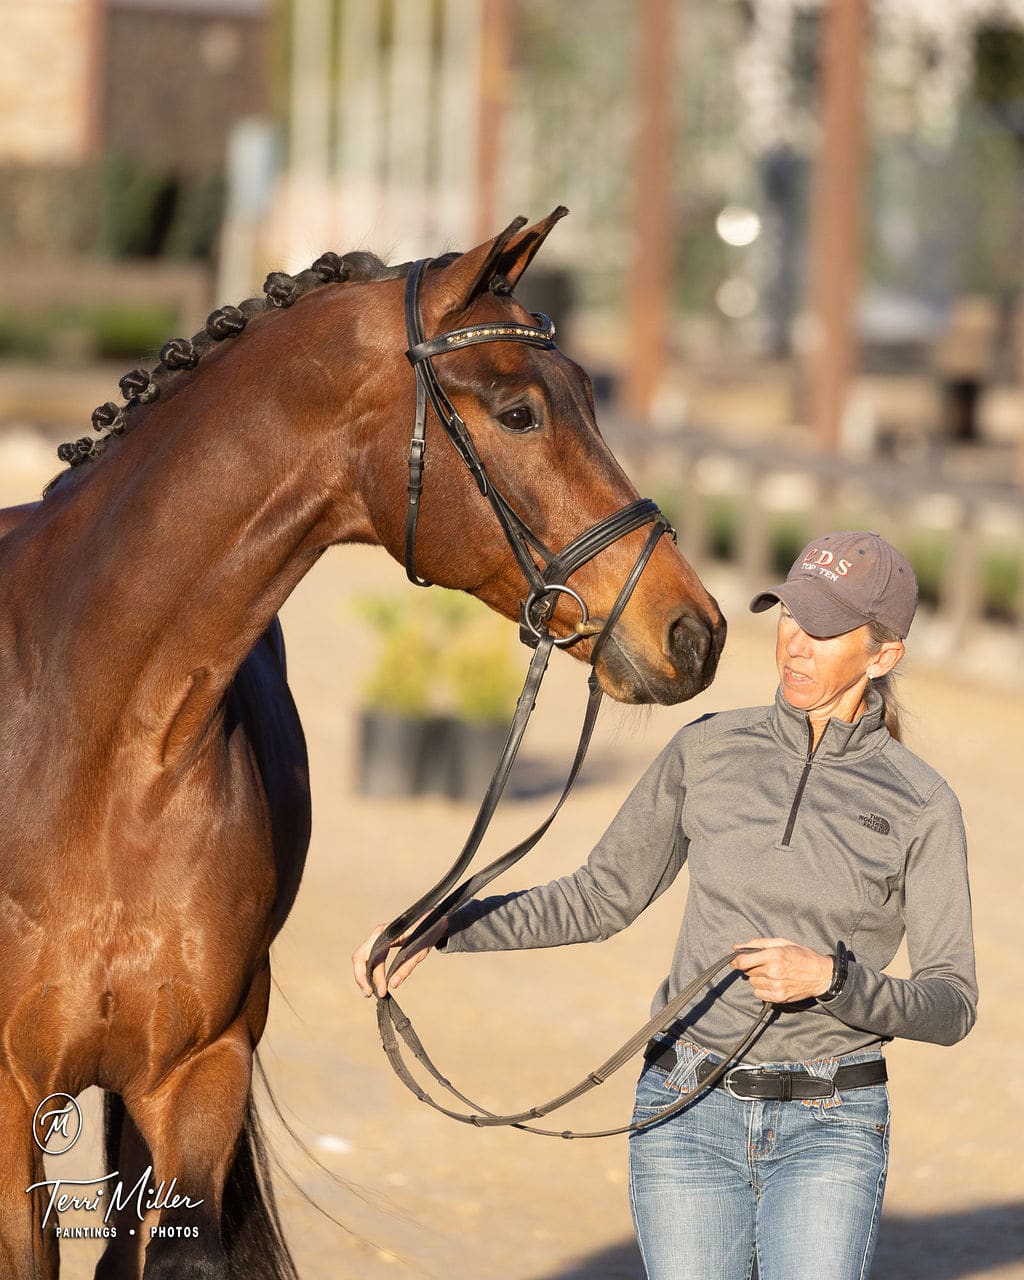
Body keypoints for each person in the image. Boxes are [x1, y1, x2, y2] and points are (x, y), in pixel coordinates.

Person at [353, 530, 977, 1280]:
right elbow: (598, 898)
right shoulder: (707, 751)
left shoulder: (923, 804)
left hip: (832, 1125)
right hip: (685, 1112)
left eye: (824, 629)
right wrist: (446, 927)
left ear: (883, 656)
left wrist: (834, 981)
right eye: (788, 615)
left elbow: (951, 1002)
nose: (795, 645)